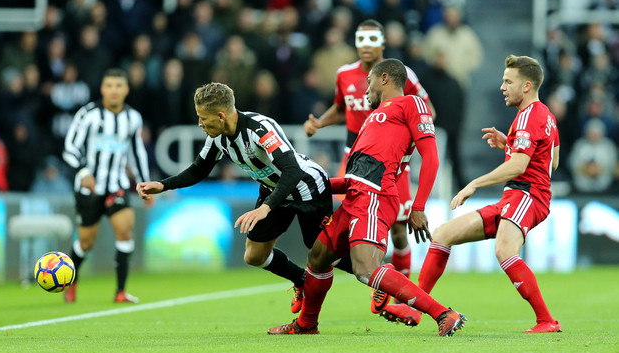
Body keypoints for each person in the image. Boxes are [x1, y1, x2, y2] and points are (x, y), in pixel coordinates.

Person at [268, 59, 466, 336]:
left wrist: (418, 206)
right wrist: (315, 182)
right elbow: (355, 176)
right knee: (317, 256)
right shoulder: (374, 117)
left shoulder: (412, 103)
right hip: (354, 196)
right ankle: (306, 324)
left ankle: (444, 314)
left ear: (385, 78)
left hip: (375, 197)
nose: (365, 90)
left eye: (369, 82)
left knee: (365, 268)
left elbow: (431, 157)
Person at [136, 82, 352, 314]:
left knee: (323, 255)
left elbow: (292, 170)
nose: (200, 123)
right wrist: (163, 185)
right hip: (274, 189)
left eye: (202, 117)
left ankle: (376, 275)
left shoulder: (260, 129)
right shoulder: (217, 136)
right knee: (255, 255)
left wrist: (266, 208)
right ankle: (300, 279)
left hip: (306, 188)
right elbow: (198, 170)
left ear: (220, 115)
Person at [405, 55, 562, 333]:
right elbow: (553, 159)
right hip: (515, 198)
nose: (502, 87)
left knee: (504, 251)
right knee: (443, 234)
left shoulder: (530, 116)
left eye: (508, 81)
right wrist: (509, 142)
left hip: (528, 195)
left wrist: (474, 184)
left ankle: (546, 321)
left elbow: (519, 165)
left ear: (526, 86)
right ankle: (416, 308)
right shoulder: (544, 116)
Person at [303, 19, 435, 317]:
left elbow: (427, 109)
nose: (366, 44)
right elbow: (340, 108)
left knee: (399, 230)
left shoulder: (404, 75)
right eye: (361, 38)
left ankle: (388, 286)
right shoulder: (344, 75)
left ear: (382, 43)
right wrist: (320, 123)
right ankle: (370, 271)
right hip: (354, 156)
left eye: (372, 38)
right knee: (337, 217)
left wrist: (411, 142)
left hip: (391, 164)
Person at [62, 68, 154, 304]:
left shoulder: (133, 118)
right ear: (102, 89)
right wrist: (83, 171)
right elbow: (70, 147)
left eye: (118, 86)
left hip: (117, 186)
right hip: (89, 189)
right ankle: (71, 280)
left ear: (126, 90)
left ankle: (120, 291)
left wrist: (145, 184)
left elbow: (137, 152)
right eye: (109, 86)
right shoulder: (88, 114)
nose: (114, 90)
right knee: (85, 242)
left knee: (125, 230)